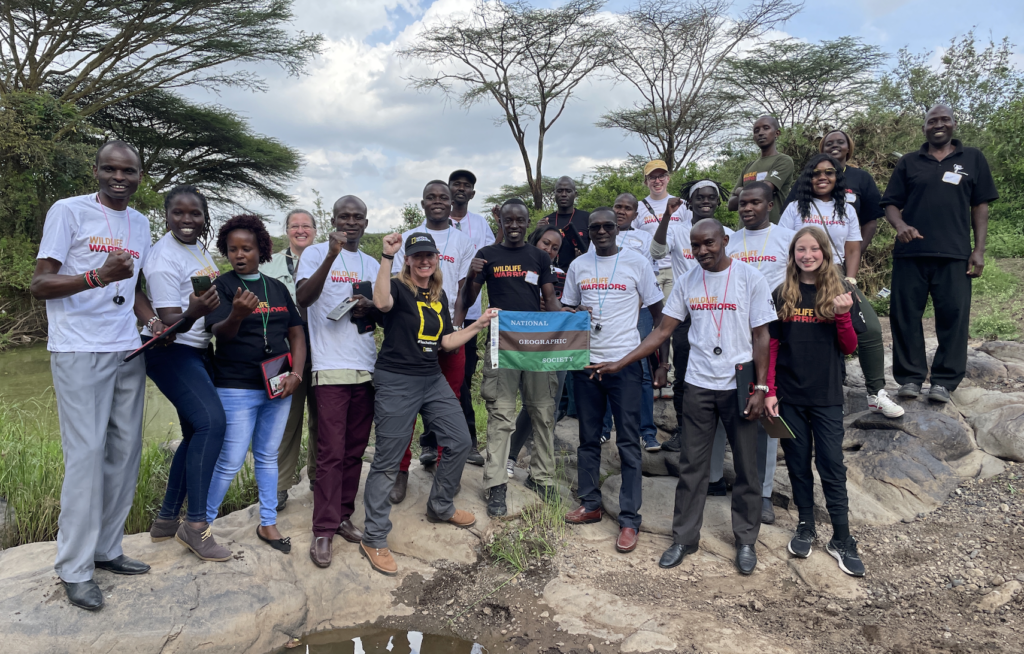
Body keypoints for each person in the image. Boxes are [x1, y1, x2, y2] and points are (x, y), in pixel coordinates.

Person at [590, 219, 775, 575]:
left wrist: (761, 388)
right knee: (692, 466)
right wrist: (621, 361)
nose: (702, 251)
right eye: (696, 245)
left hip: (738, 385)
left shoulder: (750, 277)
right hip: (698, 384)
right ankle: (685, 538)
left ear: (724, 240)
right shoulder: (688, 280)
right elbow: (662, 330)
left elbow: (761, 335)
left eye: (709, 243)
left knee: (747, 467)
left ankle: (746, 540)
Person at [31, 140, 166, 610]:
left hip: (127, 348)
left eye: (128, 171)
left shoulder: (141, 223)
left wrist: (152, 322)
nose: (119, 177)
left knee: (125, 453)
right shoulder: (68, 211)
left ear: (140, 176)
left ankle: (107, 549)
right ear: (96, 171)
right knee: (86, 456)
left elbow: (134, 289)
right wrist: (96, 276)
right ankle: (74, 567)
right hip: (79, 348)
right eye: (110, 169)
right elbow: (40, 283)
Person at [363, 232, 499, 576]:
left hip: (431, 377)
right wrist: (386, 256)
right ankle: (374, 536)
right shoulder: (397, 287)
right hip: (397, 380)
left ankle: (440, 505)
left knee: (460, 441)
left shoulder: (438, 295)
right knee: (388, 459)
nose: (424, 261)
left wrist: (479, 324)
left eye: (430, 256)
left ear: (437, 259)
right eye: (417, 256)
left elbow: (446, 342)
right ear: (408, 260)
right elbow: (380, 303)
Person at [561, 208, 666, 555]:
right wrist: (574, 313)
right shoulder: (578, 266)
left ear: (618, 229)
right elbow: (567, 310)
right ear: (588, 232)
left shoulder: (637, 263)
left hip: (625, 364)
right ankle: (590, 503)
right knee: (588, 438)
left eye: (608, 225)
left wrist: (661, 363)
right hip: (587, 365)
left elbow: (659, 316)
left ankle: (629, 519)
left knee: (628, 442)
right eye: (596, 227)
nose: (602, 231)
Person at [765, 226, 866, 577]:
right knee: (797, 464)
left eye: (813, 249)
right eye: (800, 250)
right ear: (792, 255)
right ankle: (805, 525)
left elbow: (849, 347)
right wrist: (770, 391)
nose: (807, 255)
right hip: (789, 395)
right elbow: (772, 345)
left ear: (825, 252)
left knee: (832, 465)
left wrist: (842, 315)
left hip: (826, 395)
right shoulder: (782, 293)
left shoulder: (842, 292)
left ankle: (842, 537)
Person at [881, 104, 998, 403]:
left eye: (945, 119)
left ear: (954, 124)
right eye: (932, 121)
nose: (938, 124)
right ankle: (910, 378)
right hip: (911, 253)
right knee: (905, 316)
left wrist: (979, 250)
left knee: (954, 318)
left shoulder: (972, 158)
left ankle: (944, 381)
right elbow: (890, 203)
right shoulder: (909, 162)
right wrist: (900, 225)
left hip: (955, 254)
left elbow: (980, 206)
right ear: (924, 128)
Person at [204, 215, 306, 555]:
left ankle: (268, 522)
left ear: (261, 249)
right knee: (231, 460)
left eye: (246, 248)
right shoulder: (221, 286)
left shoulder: (276, 287)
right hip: (236, 387)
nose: (239, 255)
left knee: (267, 456)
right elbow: (219, 334)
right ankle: (200, 525)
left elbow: (296, 333)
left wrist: (297, 375)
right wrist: (235, 313)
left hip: (278, 385)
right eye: (232, 249)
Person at [142, 185, 232, 562]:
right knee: (213, 424)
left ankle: (166, 520)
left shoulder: (197, 249)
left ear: (204, 217)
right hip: (171, 352)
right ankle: (195, 526)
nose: (187, 219)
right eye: (178, 212)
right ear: (166, 215)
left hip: (197, 350)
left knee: (196, 431)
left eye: (195, 213)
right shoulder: (164, 257)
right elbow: (168, 323)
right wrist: (194, 312)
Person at [699, 181, 796, 523]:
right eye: (742, 203)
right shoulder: (727, 239)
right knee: (719, 410)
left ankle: (763, 492)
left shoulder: (787, 238)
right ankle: (713, 479)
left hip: (769, 335)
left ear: (770, 205)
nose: (747, 208)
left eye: (755, 202)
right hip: (726, 335)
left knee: (764, 412)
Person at [781, 155, 903, 419]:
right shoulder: (794, 208)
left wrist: (851, 279)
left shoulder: (846, 209)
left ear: (837, 177)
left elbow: (853, 248)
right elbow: (784, 247)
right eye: (816, 173)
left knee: (870, 329)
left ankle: (876, 394)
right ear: (808, 178)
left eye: (829, 172)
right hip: (801, 275)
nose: (822, 177)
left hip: (835, 274)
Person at [461, 199, 562, 516]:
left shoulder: (539, 257)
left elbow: (550, 299)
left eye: (520, 220)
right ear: (501, 222)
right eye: (509, 220)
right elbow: (468, 301)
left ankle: (542, 478)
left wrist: (568, 324)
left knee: (542, 411)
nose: (514, 225)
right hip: (501, 343)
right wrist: (471, 274)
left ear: (528, 222)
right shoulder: (487, 255)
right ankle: (496, 485)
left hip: (535, 343)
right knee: (501, 414)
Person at [295, 195, 379, 568]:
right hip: (329, 366)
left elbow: (378, 315)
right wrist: (331, 256)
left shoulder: (372, 263)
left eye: (357, 217)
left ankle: (343, 516)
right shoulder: (315, 254)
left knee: (354, 450)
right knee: (330, 451)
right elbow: (303, 298)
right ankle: (323, 529)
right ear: (333, 220)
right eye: (344, 216)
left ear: (365, 222)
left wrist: (368, 308)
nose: (351, 222)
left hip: (365, 365)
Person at [391, 181, 479, 500]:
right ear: (423, 203)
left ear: (451, 201)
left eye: (443, 197)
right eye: (431, 197)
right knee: (405, 406)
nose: (438, 201)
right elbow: (398, 283)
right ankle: (401, 470)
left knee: (449, 402)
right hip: (413, 336)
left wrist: (456, 324)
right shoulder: (408, 238)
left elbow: (463, 290)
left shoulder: (463, 241)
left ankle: (446, 467)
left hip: (449, 332)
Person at [649, 180, 732, 453]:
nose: (705, 201)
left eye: (711, 197)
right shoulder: (677, 230)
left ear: (718, 202)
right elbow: (657, 252)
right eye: (699, 197)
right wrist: (667, 216)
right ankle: (684, 432)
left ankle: (722, 436)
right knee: (684, 376)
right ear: (690, 202)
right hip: (686, 315)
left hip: (720, 314)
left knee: (724, 375)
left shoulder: (727, 234)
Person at [588, 193, 662, 450]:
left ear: (635, 214)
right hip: (606, 313)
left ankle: (647, 432)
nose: (622, 211)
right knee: (604, 366)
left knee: (641, 370)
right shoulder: (599, 234)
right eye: (617, 206)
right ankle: (604, 429)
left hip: (639, 310)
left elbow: (647, 278)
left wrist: (635, 305)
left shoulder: (644, 238)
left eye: (628, 208)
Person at [261, 208, 318, 511]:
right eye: (294, 226)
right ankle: (280, 485)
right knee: (285, 419)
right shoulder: (269, 265)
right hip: (284, 351)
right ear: (287, 231)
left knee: (323, 418)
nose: (300, 230)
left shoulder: (327, 260)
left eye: (306, 225)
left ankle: (319, 477)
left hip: (323, 349)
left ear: (315, 231)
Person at [506, 225, 567, 478]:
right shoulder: (520, 268)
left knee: (550, 405)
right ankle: (509, 457)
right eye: (545, 243)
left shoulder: (563, 274)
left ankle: (541, 469)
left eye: (555, 247)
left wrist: (561, 307)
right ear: (534, 241)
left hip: (556, 343)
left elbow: (569, 304)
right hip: (525, 342)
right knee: (531, 404)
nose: (550, 250)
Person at [448, 169, 497, 462]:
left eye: (466, 185)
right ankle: (431, 443)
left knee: (463, 377)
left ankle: (467, 441)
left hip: (469, 313)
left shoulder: (479, 223)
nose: (461, 189)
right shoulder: (432, 225)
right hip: (432, 313)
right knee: (431, 376)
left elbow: (492, 253)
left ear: (472, 193)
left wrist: (500, 224)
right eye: (456, 184)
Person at [632, 160, 687, 400]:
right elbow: (632, 237)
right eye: (652, 177)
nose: (657, 181)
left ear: (668, 178)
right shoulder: (638, 207)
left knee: (671, 324)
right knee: (654, 325)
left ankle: (670, 376)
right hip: (650, 273)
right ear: (645, 181)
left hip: (675, 271)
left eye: (661, 176)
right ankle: (654, 373)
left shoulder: (681, 205)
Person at [728, 116, 794, 224]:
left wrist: (740, 191)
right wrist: (755, 188)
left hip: (772, 228)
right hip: (744, 231)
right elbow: (731, 205)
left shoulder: (783, 161)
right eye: (756, 131)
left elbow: (764, 191)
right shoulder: (748, 167)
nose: (761, 133)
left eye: (766, 128)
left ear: (777, 133)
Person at [538, 176, 591, 271]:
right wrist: (538, 232)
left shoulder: (587, 218)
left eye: (568, 191)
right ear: (554, 194)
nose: (563, 194)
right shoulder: (546, 221)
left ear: (575, 194)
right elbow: (535, 251)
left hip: (582, 271)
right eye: (559, 191)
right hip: (552, 273)